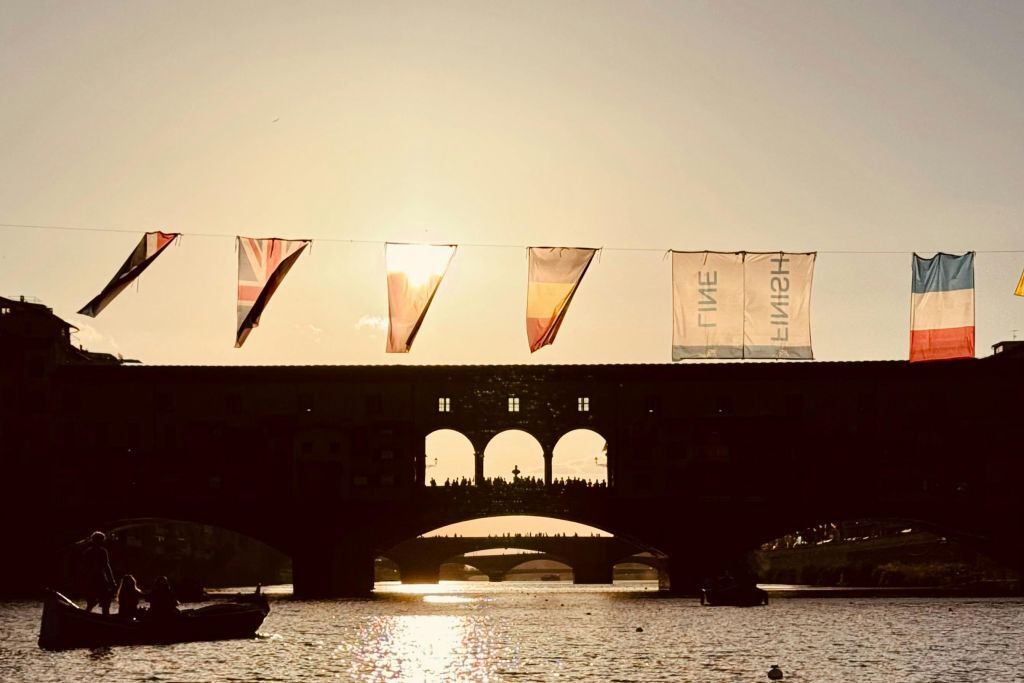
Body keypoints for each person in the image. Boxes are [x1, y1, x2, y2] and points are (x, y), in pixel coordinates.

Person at [81, 531, 115, 615]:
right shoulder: (102, 551)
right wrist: (112, 581)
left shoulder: (87, 552)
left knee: (91, 602)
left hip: (90, 579)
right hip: (100, 578)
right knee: (106, 602)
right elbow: (106, 567)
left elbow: (83, 568)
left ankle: (86, 616)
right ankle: (105, 617)